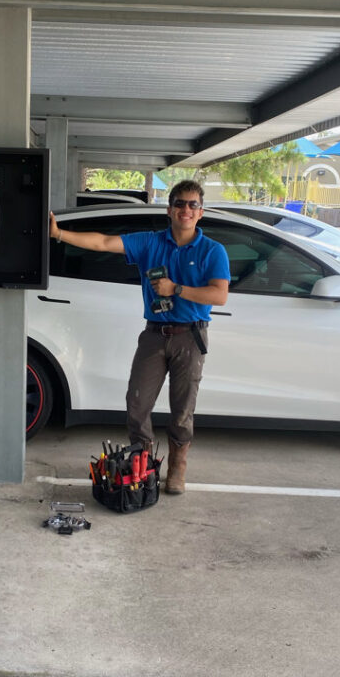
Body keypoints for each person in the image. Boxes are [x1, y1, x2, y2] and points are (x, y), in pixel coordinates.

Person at [49, 180, 230, 495]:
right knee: (137, 402)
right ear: (169, 209)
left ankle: (177, 467)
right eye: (180, 203)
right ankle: (143, 464)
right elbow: (105, 243)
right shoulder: (150, 242)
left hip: (191, 337)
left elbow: (219, 295)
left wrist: (176, 289)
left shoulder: (212, 251)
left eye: (192, 205)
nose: (185, 210)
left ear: (200, 212)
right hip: (154, 335)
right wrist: (60, 234)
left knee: (182, 408)